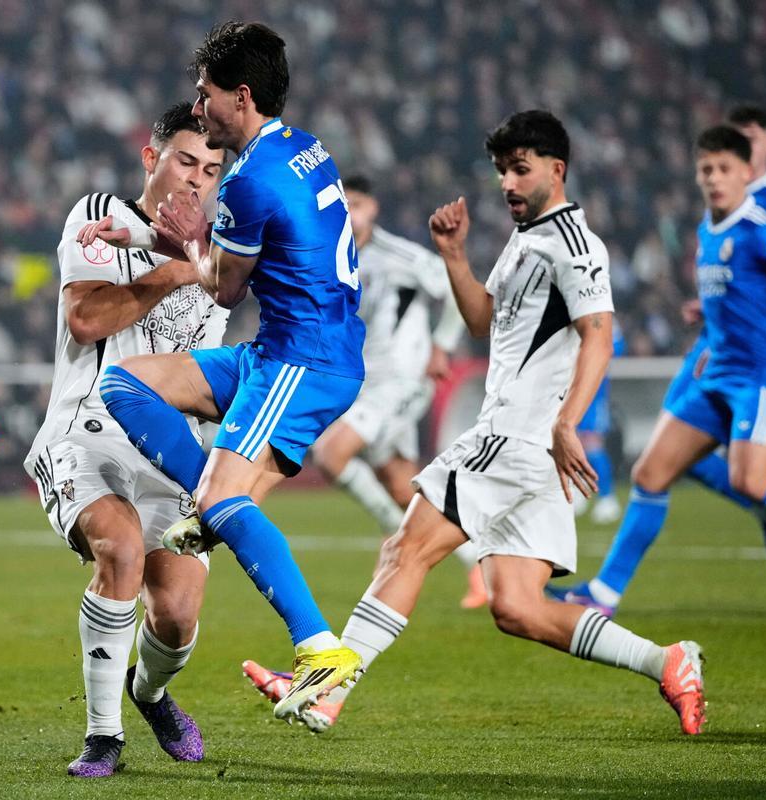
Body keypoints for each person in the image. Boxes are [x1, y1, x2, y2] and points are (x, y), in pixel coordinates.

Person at [244, 110, 707, 737]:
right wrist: (456, 257)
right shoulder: (527, 240)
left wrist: (569, 422)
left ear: (556, 168)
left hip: (517, 436)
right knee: (517, 607)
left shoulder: (575, 245)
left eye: (521, 170)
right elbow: (483, 322)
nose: (508, 184)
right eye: (501, 172)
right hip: (530, 447)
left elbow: (599, 334)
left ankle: (326, 688)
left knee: (404, 549)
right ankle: (667, 661)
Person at [91, 22, 367, 721]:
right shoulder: (305, 146)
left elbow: (223, 288)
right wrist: (160, 237)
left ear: (237, 96)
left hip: (299, 361)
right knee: (127, 382)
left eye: (204, 93)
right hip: (288, 351)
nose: (199, 106)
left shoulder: (248, 181)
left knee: (220, 501)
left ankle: (319, 649)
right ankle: (204, 508)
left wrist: (185, 240)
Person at [554, 110, 766, 622]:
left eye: (723, 168)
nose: (714, 178)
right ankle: (604, 594)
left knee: (753, 481)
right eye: (706, 170)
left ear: (746, 172)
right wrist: (713, 317)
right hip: (718, 367)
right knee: (651, 471)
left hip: (762, 375)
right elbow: (739, 290)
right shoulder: (707, 228)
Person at [24, 102, 227, 778]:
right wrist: (176, 267)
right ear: (152, 159)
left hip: (171, 453)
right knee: (121, 547)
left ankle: (151, 692)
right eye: (185, 161)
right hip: (85, 435)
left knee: (175, 616)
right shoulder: (101, 218)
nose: (197, 179)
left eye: (212, 168)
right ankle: (102, 737)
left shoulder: (227, 256)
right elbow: (84, 319)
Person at [309, 175, 485, 609]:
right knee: (401, 485)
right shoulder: (327, 258)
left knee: (330, 454)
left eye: (358, 203)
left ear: (374, 210)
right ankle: (479, 566)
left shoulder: (401, 256)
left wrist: (441, 347)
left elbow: (458, 292)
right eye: (342, 203)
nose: (350, 211)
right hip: (363, 383)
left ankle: (394, 540)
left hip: (402, 380)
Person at [573, 319, 625, 524]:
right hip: (569, 388)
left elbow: (616, 347)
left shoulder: (601, 313)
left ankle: (608, 498)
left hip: (593, 392)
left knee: (592, 444)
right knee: (573, 442)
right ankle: (578, 490)